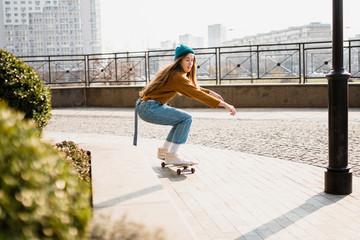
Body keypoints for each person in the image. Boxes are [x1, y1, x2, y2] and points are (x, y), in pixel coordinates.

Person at [133, 44, 236, 165]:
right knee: (186, 119)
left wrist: (210, 92)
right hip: (150, 108)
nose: (190, 63)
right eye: (187, 59)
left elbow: (192, 88)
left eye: (192, 60)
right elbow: (196, 93)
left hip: (146, 106)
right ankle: (172, 155)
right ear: (179, 60)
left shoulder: (174, 73)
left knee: (179, 121)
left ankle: (164, 151)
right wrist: (225, 104)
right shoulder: (178, 76)